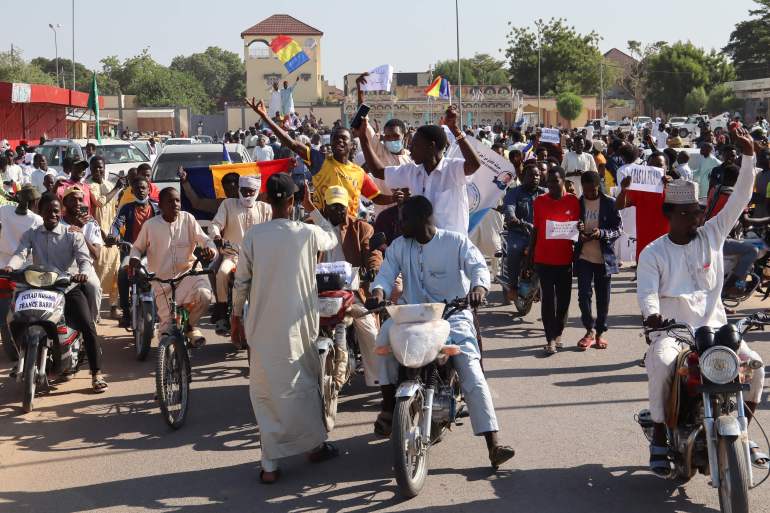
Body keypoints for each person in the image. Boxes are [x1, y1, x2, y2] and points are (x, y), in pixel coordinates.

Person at [638, 127, 767, 476]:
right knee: (662, 367)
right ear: (669, 214)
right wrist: (652, 316)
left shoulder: (712, 233)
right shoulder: (653, 253)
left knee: (755, 366)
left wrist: (749, 156)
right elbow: (648, 292)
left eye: (696, 211)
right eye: (685, 213)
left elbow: (740, 199)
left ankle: (743, 429)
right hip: (673, 333)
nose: (694, 218)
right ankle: (661, 437)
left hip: (716, 331)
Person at [367, 195, 515, 469]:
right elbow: (385, 276)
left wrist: (479, 289)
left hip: (453, 315)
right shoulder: (400, 246)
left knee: (470, 368)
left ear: (423, 219)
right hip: (412, 315)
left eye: (404, 219)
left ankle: (493, 443)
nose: (400, 224)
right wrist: (378, 293)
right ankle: (388, 407)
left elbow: (478, 267)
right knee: (383, 340)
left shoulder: (455, 241)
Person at [232, 174, 340, 484]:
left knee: (265, 394)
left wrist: (237, 318)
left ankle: (269, 466)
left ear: (266, 199)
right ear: (293, 202)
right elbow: (331, 237)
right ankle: (314, 447)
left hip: (261, 328)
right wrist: (314, 209)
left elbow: (241, 283)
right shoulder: (307, 232)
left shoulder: (254, 235)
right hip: (298, 327)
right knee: (303, 387)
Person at [5, 193, 107, 392]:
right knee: (17, 318)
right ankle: (23, 358)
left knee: (88, 326)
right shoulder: (31, 233)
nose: (52, 214)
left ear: (61, 212)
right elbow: (20, 253)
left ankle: (96, 373)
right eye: (47, 210)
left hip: (66, 287)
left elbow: (84, 259)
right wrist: (11, 266)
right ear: (39, 212)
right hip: (38, 288)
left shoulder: (72, 234)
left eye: (55, 211)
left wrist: (83, 274)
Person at [246, 97, 391, 217]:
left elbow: (376, 197)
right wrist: (265, 117)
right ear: (331, 143)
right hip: (322, 226)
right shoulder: (319, 160)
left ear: (352, 145)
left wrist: (395, 198)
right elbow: (291, 143)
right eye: (336, 138)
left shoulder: (359, 173)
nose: (339, 141)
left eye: (343, 139)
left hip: (349, 230)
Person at [360, 105, 482, 236]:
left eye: (415, 145)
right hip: (421, 248)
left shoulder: (452, 169)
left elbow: (474, 164)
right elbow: (378, 172)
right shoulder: (412, 171)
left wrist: (455, 129)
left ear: (431, 146)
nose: (410, 149)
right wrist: (363, 138)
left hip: (450, 249)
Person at [308, 185, 382, 388]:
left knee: (369, 331)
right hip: (317, 291)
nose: (338, 211)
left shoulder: (361, 228)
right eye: (333, 207)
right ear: (325, 206)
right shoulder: (313, 227)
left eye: (341, 207)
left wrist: (373, 267)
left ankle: (378, 380)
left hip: (352, 292)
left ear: (348, 207)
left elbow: (372, 251)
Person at [129, 188, 216, 347]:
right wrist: (134, 259)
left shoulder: (188, 219)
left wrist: (211, 251)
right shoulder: (151, 226)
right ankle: (168, 364)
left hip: (189, 274)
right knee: (166, 332)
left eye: (177, 200)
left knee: (204, 296)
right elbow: (136, 248)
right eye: (170, 201)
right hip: (163, 282)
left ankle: (190, 326)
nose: (175, 204)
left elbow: (206, 240)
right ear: (160, 205)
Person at [209, 175, 272, 335]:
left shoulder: (265, 208)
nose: (247, 195)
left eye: (251, 192)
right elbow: (215, 224)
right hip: (233, 256)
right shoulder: (228, 204)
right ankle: (222, 313)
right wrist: (216, 236)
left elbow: (275, 228)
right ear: (239, 190)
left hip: (259, 258)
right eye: (244, 191)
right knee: (222, 273)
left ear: (257, 191)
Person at [530, 166, 580, 355]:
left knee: (564, 301)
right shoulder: (540, 201)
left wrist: (580, 227)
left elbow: (578, 227)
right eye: (548, 181)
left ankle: (558, 332)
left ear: (563, 181)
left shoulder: (573, 201)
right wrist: (530, 257)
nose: (551, 184)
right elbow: (535, 229)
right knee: (547, 301)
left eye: (555, 181)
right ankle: (550, 338)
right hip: (543, 259)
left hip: (565, 260)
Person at [574, 171, 622, 350]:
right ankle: (589, 330)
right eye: (586, 191)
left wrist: (601, 234)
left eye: (593, 191)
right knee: (583, 296)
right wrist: (577, 229)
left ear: (598, 187)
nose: (589, 194)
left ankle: (600, 333)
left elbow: (618, 229)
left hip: (604, 259)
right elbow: (569, 225)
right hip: (583, 257)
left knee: (603, 299)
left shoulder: (610, 203)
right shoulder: (577, 203)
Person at [110, 177, 160, 328]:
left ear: (148, 189)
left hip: (153, 252)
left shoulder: (157, 208)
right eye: (137, 188)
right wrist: (114, 235)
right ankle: (126, 312)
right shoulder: (127, 208)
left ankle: (160, 310)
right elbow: (117, 224)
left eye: (143, 187)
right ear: (132, 191)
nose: (141, 190)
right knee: (123, 273)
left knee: (161, 276)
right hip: (132, 250)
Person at [0, 185, 42, 358]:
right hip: (25, 269)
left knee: (4, 310)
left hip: (2, 267)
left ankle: (10, 349)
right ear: (34, 201)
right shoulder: (37, 219)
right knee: (28, 308)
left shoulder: (3, 210)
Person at [615, 144, 670, 263]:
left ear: (667, 168)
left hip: (668, 249)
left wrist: (669, 186)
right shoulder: (640, 189)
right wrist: (624, 190)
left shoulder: (676, 188)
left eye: (659, 166)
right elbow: (619, 206)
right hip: (645, 250)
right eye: (651, 166)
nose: (654, 169)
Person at [87, 156, 126, 319]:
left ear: (105, 168)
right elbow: (99, 203)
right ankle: (93, 309)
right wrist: (117, 188)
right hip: (96, 235)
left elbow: (114, 211)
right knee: (97, 272)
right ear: (90, 169)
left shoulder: (110, 185)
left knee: (115, 271)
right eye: (95, 168)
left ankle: (113, 306)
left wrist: (115, 233)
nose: (98, 170)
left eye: (101, 167)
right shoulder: (90, 186)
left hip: (112, 235)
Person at [501, 163, 545, 302]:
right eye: (531, 175)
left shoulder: (545, 192)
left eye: (537, 175)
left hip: (540, 234)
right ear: (523, 177)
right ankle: (513, 286)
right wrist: (514, 219)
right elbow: (509, 210)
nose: (535, 178)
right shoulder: (514, 192)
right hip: (519, 232)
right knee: (514, 249)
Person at [60, 188, 104, 321]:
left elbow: (96, 254)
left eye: (80, 199)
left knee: (94, 287)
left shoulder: (91, 223)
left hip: (85, 267)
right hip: (62, 266)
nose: (78, 203)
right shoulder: (58, 222)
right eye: (73, 199)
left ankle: (92, 324)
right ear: (65, 202)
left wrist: (80, 233)